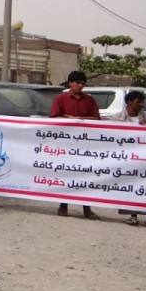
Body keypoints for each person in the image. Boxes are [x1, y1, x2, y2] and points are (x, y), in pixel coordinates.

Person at [50, 70, 101, 220]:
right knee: (66, 174)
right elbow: (54, 117)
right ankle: (63, 205)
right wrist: (69, 120)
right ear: (70, 83)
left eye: (83, 83)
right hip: (66, 144)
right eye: (78, 83)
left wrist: (80, 119)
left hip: (85, 144)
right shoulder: (60, 99)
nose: (80, 86)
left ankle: (87, 208)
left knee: (85, 175)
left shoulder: (90, 100)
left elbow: (97, 118)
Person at [111, 91, 146, 228]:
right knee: (129, 185)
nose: (141, 105)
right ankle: (132, 215)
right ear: (129, 102)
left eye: (142, 102)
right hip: (127, 158)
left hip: (144, 157)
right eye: (138, 102)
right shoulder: (118, 118)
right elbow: (113, 137)